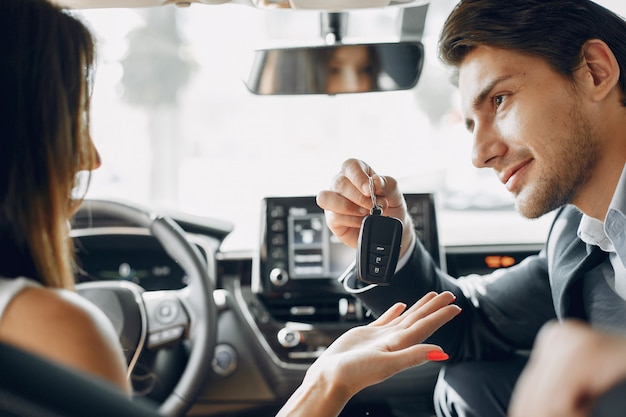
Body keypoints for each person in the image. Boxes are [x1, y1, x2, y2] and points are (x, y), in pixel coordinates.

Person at [0, 1, 462, 416]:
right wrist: (329, 380)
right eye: (72, 122)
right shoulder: (56, 327)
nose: (90, 158)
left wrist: (327, 377)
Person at [316, 0, 626, 416]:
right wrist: (397, 244)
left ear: (595, 71)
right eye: (470, 124)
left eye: (499, 100)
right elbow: (472, 324)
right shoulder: (578, 231)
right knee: (470, 381)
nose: (479, 155)